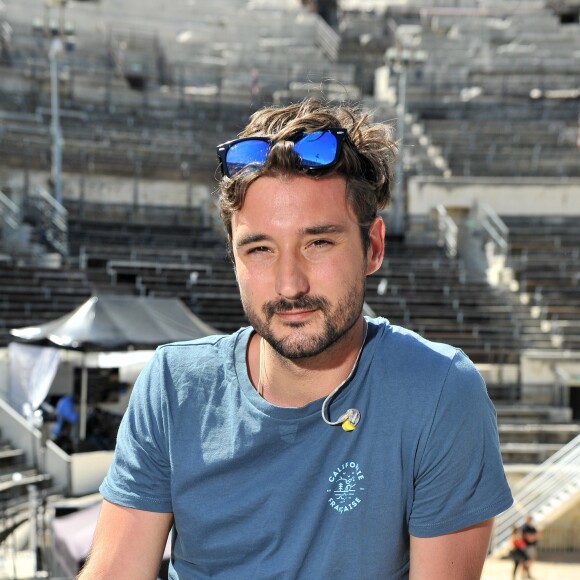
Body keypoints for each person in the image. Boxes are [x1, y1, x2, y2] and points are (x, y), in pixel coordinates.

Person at [79, 97, 513, 578]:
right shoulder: (174, 386)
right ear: (234, 258)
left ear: (373, 247)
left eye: (318, 243)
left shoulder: (438, 392)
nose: (290, 286)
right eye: (260, 248)